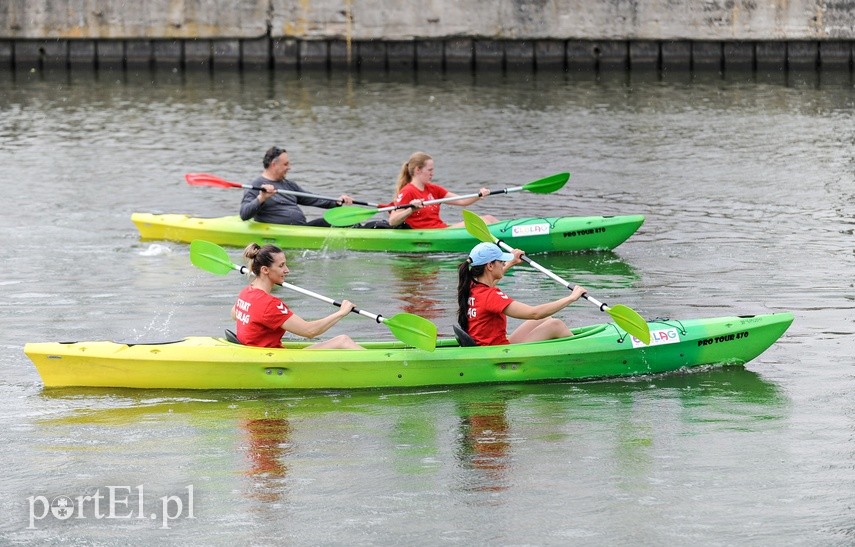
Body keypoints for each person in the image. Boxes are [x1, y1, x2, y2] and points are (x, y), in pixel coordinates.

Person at [231, 243, 364, 349]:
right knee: (343, 340)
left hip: (263, 353)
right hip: (275, 362)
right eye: (281, 266)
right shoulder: (269, 304)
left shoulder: (246, 292)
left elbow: (234, 314)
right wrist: (341, 312)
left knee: (341, 340)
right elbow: (309, 331)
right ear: (265, 270)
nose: (287, 270)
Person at [456, 242, 588, 346]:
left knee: (546, 319)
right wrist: (571, 298)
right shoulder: (491, 295)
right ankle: (584, 354)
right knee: (555, 324)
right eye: (501, 262)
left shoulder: (471, 287)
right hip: (498, 352)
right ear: (490, 266)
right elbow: (534, 313)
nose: (503, 264)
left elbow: (491, 280)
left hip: (489, 346)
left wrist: (511, 262)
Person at [239, 146, 354, 226]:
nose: (289, 167)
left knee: (344, 221)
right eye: (286, 164)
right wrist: (261, 198)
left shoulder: (288, 184)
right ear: (274, 165)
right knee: (331, 223)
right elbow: (244, 214)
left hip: (301, 228)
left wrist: (337, 201)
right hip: (281, 232)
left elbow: (312, 199)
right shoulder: (255, 186)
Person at [388, 152, 500, 229]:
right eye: (430, 170)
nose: (432, 173)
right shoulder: (407, 191)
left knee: (489, 218)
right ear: (418, 170)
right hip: (428, 233)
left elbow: (462, 201)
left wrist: (479, 195)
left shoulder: (434, 189)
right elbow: (392, 221)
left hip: (440, 228)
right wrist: (411, 209)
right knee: (482, 221)